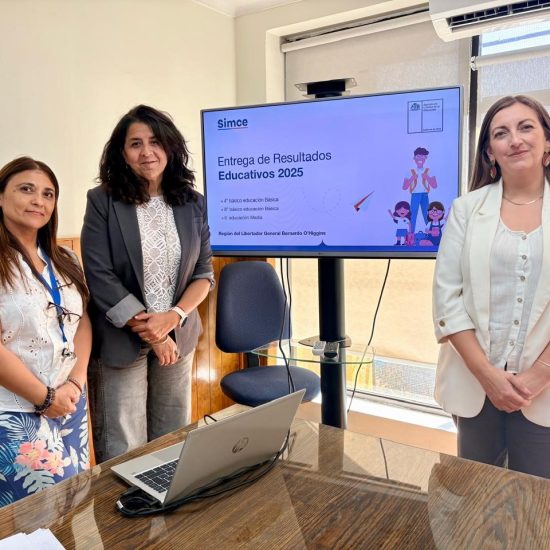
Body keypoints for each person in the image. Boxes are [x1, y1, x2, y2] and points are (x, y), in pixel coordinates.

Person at [81, 105, 214, 462]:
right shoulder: (102, 201)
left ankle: (168, 497)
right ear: (122, 153)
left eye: (155, 142)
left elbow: (204, 274)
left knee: (172, 437)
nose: (147, 152)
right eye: (135, 143)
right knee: (123, 446)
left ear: (170, 147)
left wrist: (173, 317)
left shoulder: (193, 203)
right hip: (121, 338)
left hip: (178, 335)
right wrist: (154, 334)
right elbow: (99, 275)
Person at [433, 95, 550, 478]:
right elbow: (447, 301)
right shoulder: (466, 209)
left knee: (536, 504)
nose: (515, 139)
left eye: (526, 127)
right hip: (474, 388)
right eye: (501, 133)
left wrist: (539, 376)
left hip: (544, 392)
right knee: (474, 495)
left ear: (547, 140)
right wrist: (486, 375)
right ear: (489, 152)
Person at [0, 157, 91, 505]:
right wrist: (45, 397)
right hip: (16, 410)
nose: (38, 200)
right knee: (35, 516)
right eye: (26, 189)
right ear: (1, 196)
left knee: (72, 502)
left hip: (69, 400)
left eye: (48, 194)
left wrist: (75, 384)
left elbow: (82, 321)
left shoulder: (65, 258)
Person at [403, 147, 437, 233]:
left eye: (422, 156)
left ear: (425, 158)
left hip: (425, 195)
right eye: (418, 156)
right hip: (415, 195)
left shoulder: (429, 170)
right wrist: (412, 178)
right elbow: (404, 187)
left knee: (427, 214)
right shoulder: (410, 171)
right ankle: (411, 234)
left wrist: (427, 177)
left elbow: (434, 185)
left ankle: (430, 233)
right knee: (413, 214)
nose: (420, 159)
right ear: (414, 158)